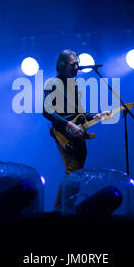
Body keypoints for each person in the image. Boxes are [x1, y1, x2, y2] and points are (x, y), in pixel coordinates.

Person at [43, 50, 104, 209]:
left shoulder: (74, 85)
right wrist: (68, 124)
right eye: (73, 64)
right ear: (62, 66)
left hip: (77, 132)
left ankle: (66, 209)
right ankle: (58, 211)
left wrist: (94, 116)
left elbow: (78, 113)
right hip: (64, 132)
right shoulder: (52, 84)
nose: (77, 67)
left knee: (77, 175)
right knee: (73, 171)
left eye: (78, 64)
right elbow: (47, 111)